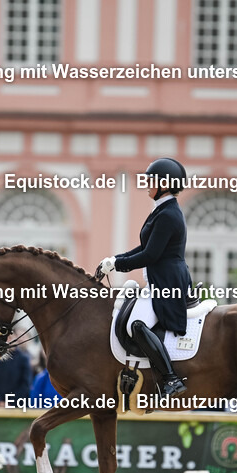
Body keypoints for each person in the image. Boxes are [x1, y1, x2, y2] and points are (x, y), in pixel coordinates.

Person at [98, 157, 192, 397]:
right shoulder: (162, 210)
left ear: (165, 183)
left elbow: (150, 254)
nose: (147, 184)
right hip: (159, 282)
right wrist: (114, 259)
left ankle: (171, 379)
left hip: (169, 284)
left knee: (136, 324)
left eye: (151, 180)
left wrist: (118, 264)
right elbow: (143, 248)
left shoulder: (169, 215)